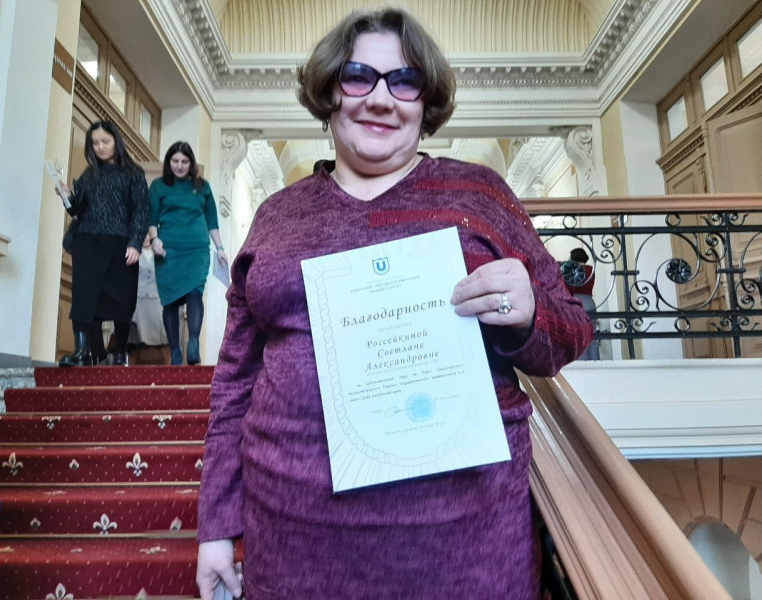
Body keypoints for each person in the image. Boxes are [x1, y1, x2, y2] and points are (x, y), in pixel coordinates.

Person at [196, 8, 593, 600]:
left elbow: (570, 329)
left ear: (425, 102)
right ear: (331, 91)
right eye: (359, 76)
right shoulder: (277, 215)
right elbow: (234, 381)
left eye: (405, 82)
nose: (381, 99)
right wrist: (216, 524)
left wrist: (531, 314)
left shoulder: (480, 194)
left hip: (465, 540)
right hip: (296, 535)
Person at [58, 120, 149, 368]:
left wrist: (136, 242)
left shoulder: (133, 173)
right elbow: (77, 210)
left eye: (105, 142)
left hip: (121, 244)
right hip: (87, 240)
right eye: (95, 143)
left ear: (116, 141)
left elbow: (141, 210)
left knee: (122, 300)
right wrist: (67, 196)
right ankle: (82, 351)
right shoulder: (89, 174)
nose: (99, 147)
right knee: (84, 298)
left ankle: (119, 351)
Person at [148, 142, 228, 366]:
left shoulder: (203, 187)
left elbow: (212, 221)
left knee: (194, 293)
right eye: (175, 161)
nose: (180, 166)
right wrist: (154, 240)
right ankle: (175, 350)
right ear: (168, 162)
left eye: (185, 161)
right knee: (170, 301)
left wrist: (220, 249)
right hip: (168, 250)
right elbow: (151, 219)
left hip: (196, 249)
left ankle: (193, 342)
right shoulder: (158, 186)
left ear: (191, 163)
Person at [127, 234, 170, 365]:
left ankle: (171, 370)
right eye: (143, 233)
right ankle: (129, 371)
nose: (145, 237)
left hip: (157, 299)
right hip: (137, 300)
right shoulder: (132, 250)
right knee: (133, 341)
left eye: (148, 234)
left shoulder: (161, 250)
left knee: (163, 338)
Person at [562, 247, 600, 360]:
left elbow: (570, 288)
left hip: (577, 302)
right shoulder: (591, 269)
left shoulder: (574, 270)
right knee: (592, 335)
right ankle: (595, 361)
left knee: (580, 335)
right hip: (590, 302)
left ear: (573, 258)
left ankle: (583, 362)